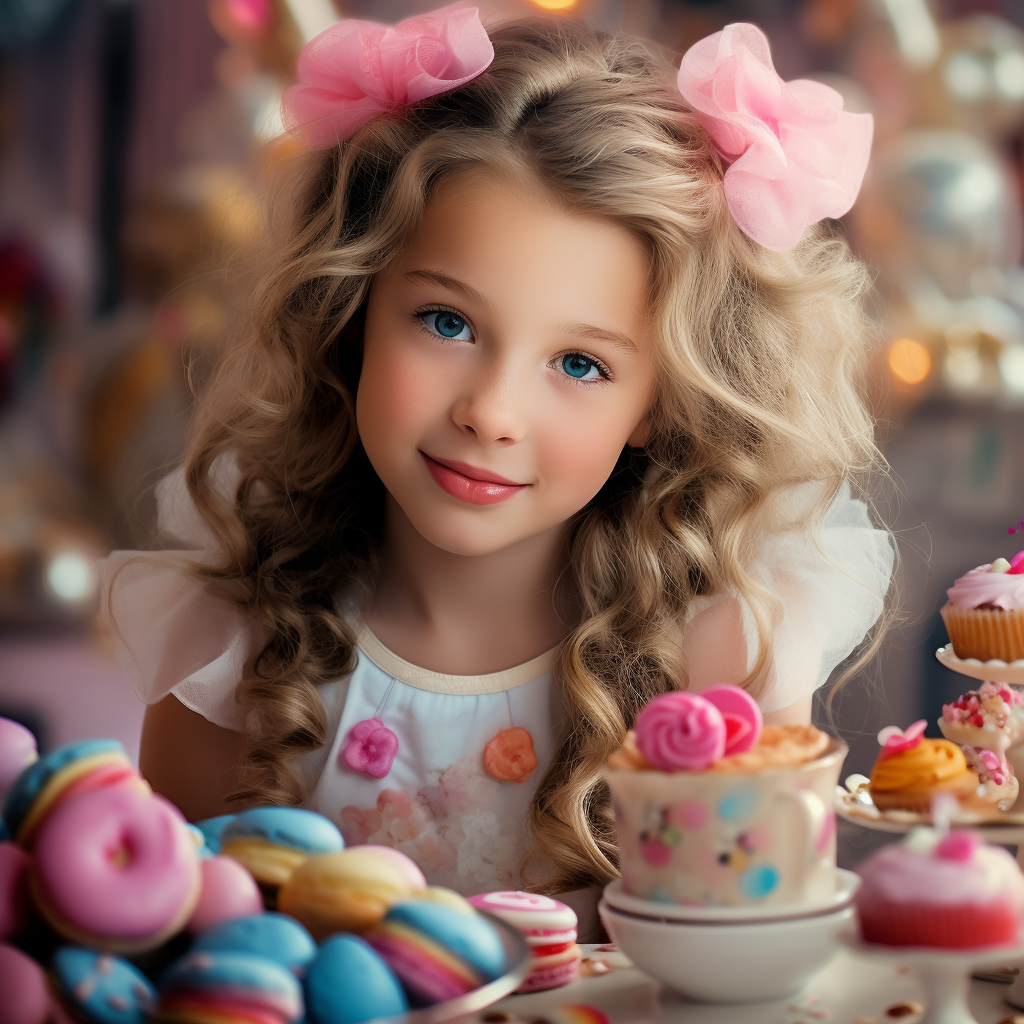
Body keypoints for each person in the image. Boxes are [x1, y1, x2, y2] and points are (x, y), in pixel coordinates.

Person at [100, 8, 893, 934]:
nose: (492, 412)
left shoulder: (724, 657)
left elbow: (754, 963)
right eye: (446, 321)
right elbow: (183, 959)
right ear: (352, 311)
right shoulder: (230, 641)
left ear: (661, 405)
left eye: (581, 364)